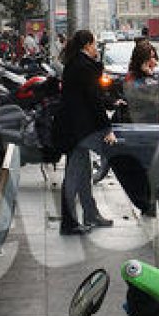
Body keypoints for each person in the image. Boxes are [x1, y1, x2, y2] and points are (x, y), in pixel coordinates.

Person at [57, 30, 115, 235]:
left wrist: (112, 101)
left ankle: (90, 214)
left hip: (74, 128)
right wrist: (107, 128)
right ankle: (69, 223)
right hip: (77, 131)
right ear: (87, 45)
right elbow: (93, 100)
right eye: (94, 44)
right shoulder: (84, 67)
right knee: (73, 177)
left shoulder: (76, 64)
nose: (96, 48)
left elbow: (89, 95)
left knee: (83, 174)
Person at [123, 41, 159, 123]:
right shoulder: (131, 78)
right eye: (150, 58)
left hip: (154, 122)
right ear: (141, 61)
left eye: (154, 57)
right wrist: (149, 75)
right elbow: (141, 98)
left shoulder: (156, 76)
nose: (154, 61)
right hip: (139, 124)